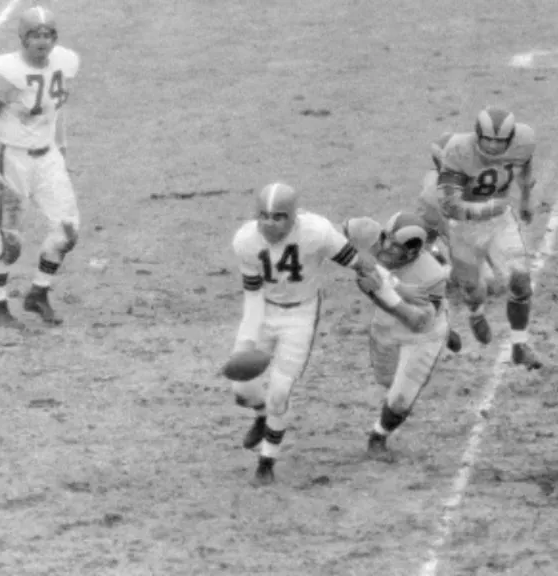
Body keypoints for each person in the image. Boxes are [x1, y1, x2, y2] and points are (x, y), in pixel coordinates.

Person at [230, 182, 430, 486]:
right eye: (264, 216)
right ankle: (261, 415)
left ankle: (266, 462)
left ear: (294, 216)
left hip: (299, 314)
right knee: (242, 387)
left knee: (280, 392)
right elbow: (253, 294)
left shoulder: (317, 232)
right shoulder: (245, 241)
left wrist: (398, 291)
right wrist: (247, 338)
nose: (270, 224)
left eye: (279, 216)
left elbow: (363, 265)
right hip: (265, 311)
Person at [0, 4, 82, 328]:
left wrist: (61, 149)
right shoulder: (7, 73)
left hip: (47, 157)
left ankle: (38, 292)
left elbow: (55, 111)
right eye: (35, 35)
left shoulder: (65, 62)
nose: (42, 41)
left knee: (67, 231)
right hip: (13, 159)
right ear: (23, 38)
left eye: (48, 34)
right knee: (9, 242)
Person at [418, 107, 542, 370]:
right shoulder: (451, 163)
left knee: (520, 280)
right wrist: (487, 208)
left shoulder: (522, 142)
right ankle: (475, 313)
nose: (494, 146)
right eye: (488, 140)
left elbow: (525, 161)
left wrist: (526, 198)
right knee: (476, 290)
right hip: (463, 229)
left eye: (500, 141)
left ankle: (520, 345)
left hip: (500, 222)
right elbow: (449, 209)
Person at [342, 212, 451, 457]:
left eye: (397, 248)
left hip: (422, 332)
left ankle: (378, 436)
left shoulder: (431, 274)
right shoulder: (369, 233)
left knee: (400, 398)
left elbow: (419, 321)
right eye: (388, 241)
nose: (388, 250)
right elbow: (335, 233)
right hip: (385, 327)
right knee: (385, 380)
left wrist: (381, 296)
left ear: (413, 253)